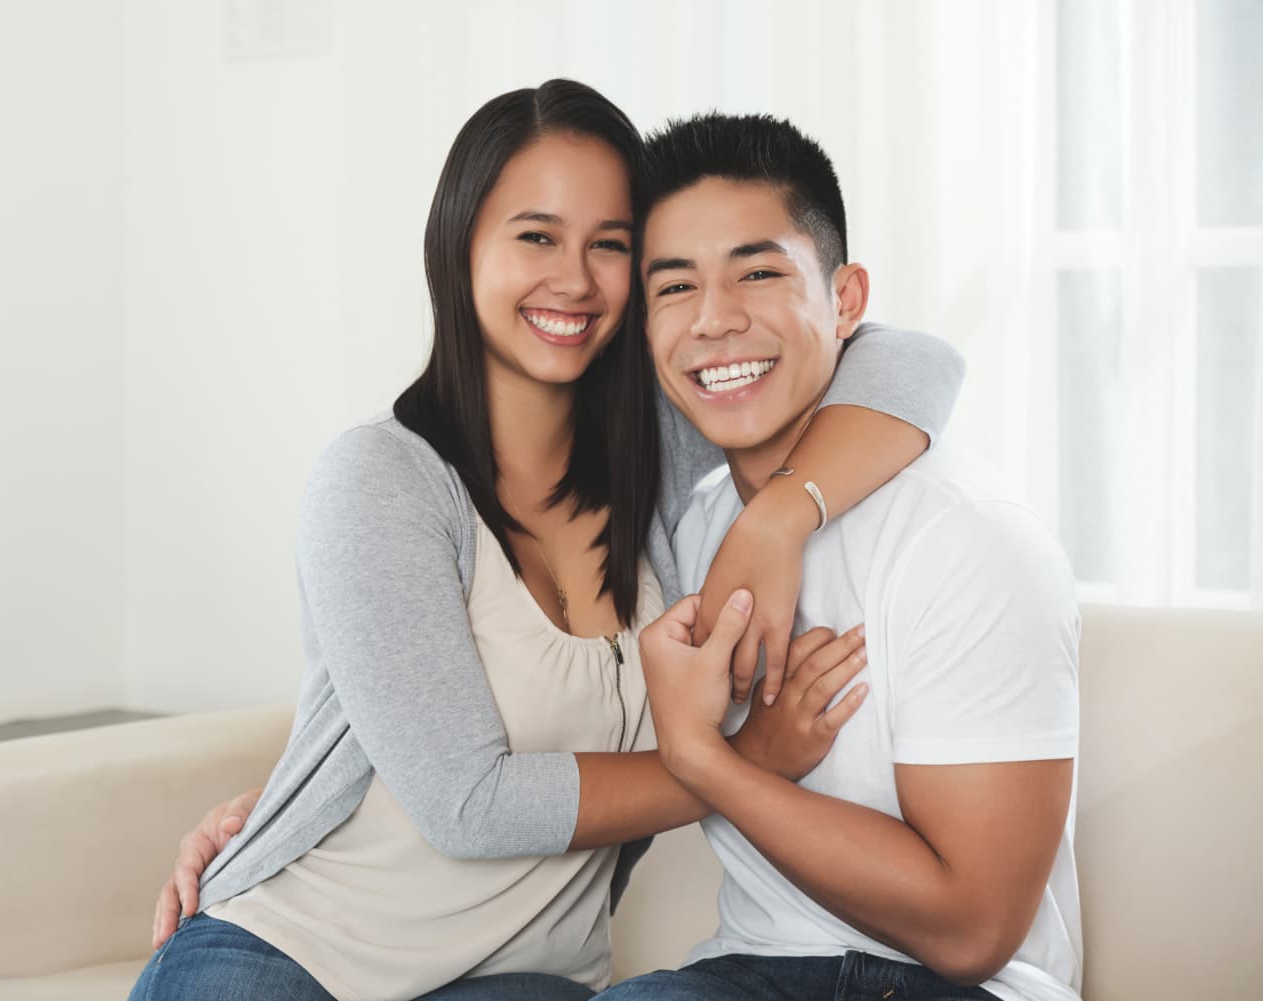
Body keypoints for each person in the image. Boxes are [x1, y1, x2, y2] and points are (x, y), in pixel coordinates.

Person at [130, 80, 964, 1001]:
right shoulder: (380, 477)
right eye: (536, 236)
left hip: (525, 979)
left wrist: (778, 518)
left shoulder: (660, 443)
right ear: (459, 248)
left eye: (610, 245)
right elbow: (466, 804)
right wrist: (744, 765)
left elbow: (910, 359)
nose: (574, 278)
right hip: (296, 952)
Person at [606, 112, 1080, 1001]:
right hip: (741, 972)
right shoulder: (680, 534)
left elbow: (973, 928)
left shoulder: (966, 536)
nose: (713, 320)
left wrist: (708, 759)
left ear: (848, 298)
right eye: (674, 288)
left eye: (757, 271)